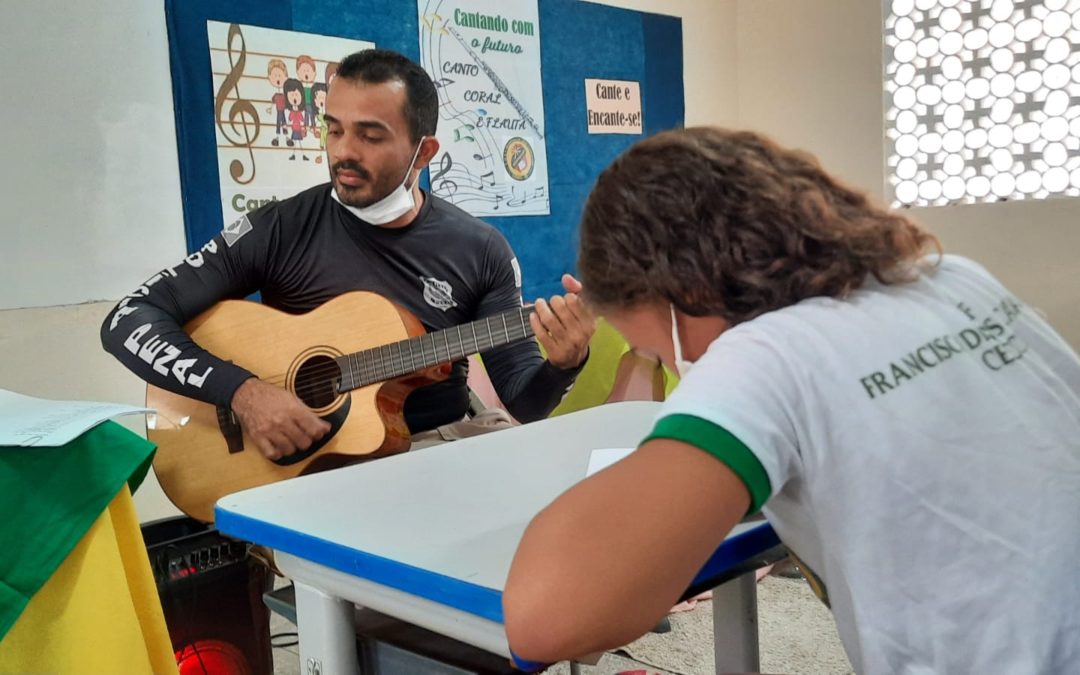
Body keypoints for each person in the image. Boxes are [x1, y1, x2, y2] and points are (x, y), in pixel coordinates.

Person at [502, 127, 1080, 673]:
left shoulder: (764, 355)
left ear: (683, 291)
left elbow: (543, 620)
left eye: (650, 345)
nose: (672, 364)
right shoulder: (948, 278)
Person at [101, 49, 593, 463]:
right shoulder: (280, 227)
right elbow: (128, 318)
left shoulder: (481, 250)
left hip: (435, 455)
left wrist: (564, 363)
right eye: (334, 129)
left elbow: (524, 403)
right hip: (305, 466)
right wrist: (243, 393)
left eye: (370, 136)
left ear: (424, 152)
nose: (342, 151)